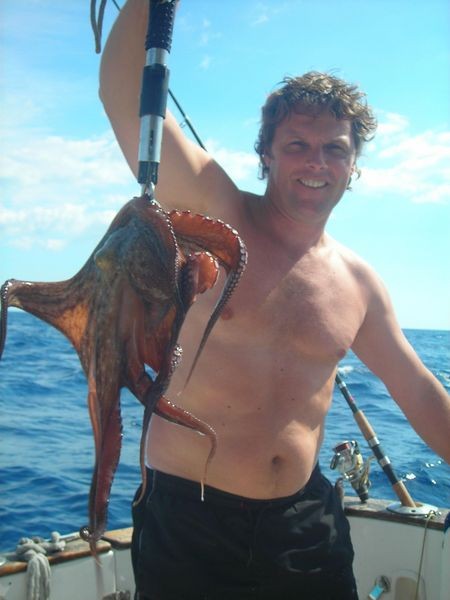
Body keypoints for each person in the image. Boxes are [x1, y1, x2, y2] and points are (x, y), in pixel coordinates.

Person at [99, 2, 450, 599]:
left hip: (304, 527)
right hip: (188, 523)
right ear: (265, 154)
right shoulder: (216, 212)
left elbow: (417, 390)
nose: (317, 162)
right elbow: (121, 92)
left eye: (334, 149)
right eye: (297, 144)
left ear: (353, 166)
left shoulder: (360, 283)